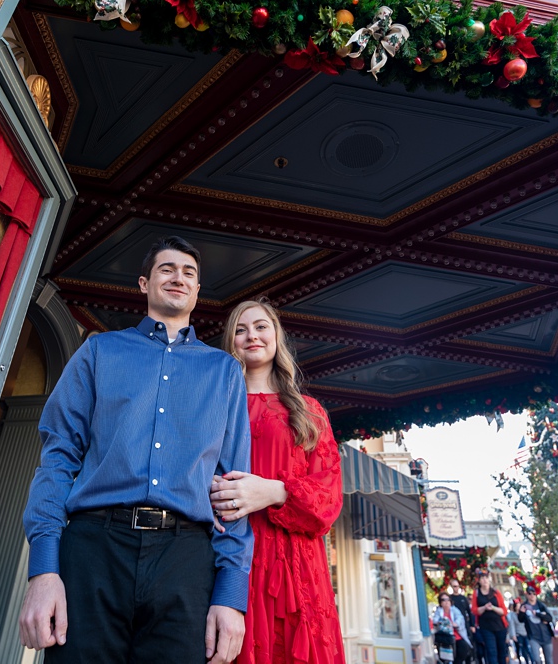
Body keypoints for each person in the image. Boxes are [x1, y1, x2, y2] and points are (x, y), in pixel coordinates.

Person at [19, 236, 253, 664]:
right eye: (167, 269)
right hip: (93, 551)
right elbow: (57, 457)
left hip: (186, 558)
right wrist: (44, 569)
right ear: (144, 284)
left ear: (197, 292)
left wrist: (231, 594)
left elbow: (233, 488)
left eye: (189, 273)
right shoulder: (99, 350)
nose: (178, 278)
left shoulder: (224, 372)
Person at [209, 299, 345, 664]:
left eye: (260, 326)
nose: (251, 335)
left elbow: (329, 499)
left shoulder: (309, 411)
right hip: (227, 555)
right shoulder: (213, 404)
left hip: (294, 566)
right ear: (230, 341)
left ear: (276, 336)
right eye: (240, 329)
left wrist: (272, 491)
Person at [471, 570, 509, 664]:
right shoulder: (476, 593)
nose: (484, 580)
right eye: (482, 578)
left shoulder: (496, 593)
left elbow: (503, 611)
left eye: (486, 578)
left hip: (500, 626)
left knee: (502, 651)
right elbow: (474, 610)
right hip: (486, 627)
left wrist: (493, 608)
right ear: (479, 581)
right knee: (491, 651)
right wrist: (484, 607)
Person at [516, 589, 554, 664]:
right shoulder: (524, 606)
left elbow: (549, 618)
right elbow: (520, 620)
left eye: (534, 593)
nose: (532, 595)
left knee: (549, 660)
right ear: (527, 595)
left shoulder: (541, 605)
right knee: (536, 659)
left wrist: (537, 614)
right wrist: (522, 613)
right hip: (533, 636)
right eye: (530, 594)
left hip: (545, 635)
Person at [435, 591, 472, 661]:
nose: (446, 602)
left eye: (448, 599)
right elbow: (435, 620)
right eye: (443, 600)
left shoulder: (454, 610)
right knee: (445, 656)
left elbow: (460, 619)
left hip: (457, 636)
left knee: (464, 648)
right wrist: (441, 622)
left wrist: (455, 624)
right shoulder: (439, 611)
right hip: (445, 638)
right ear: (440, 602)